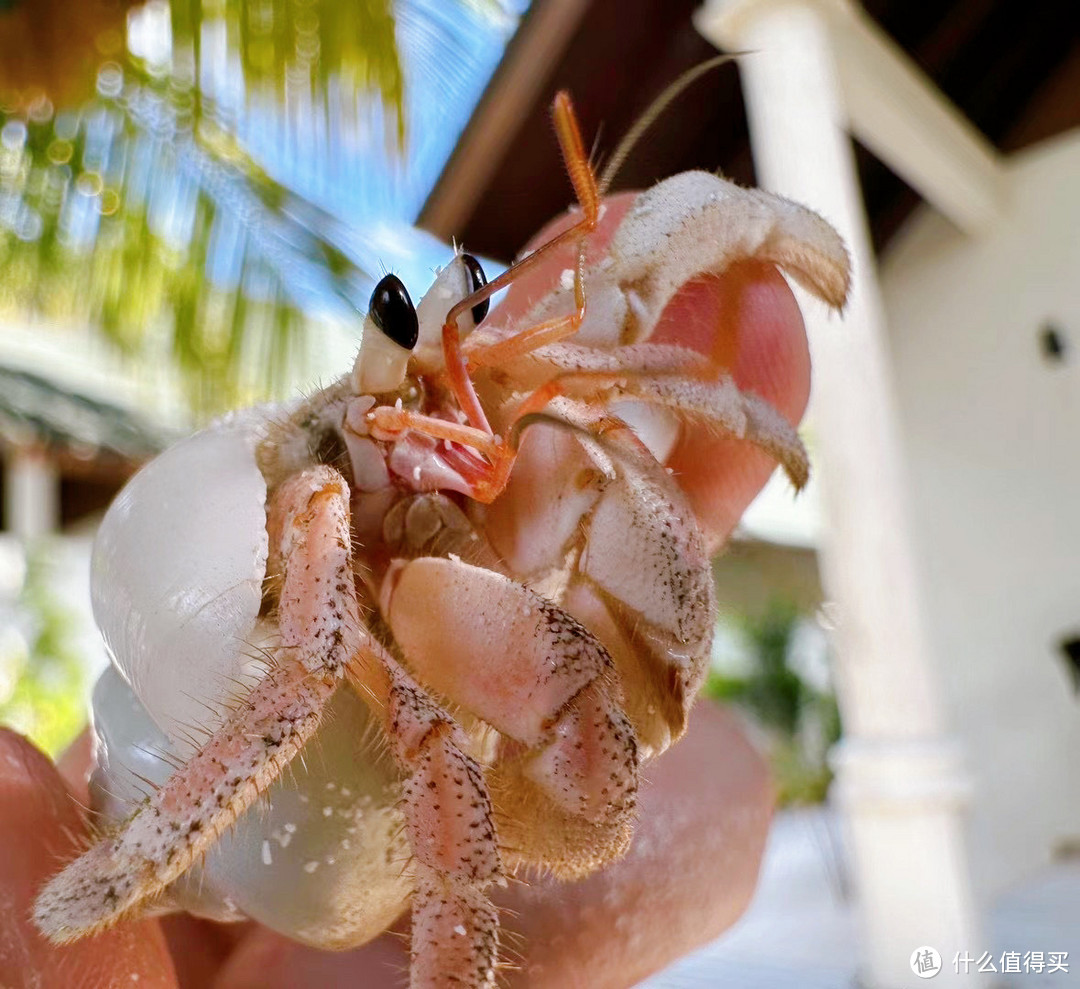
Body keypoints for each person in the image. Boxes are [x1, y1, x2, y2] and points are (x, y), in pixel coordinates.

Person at [0, 191, 812, 988]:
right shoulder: (312, 493)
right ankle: (139, 857)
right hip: (282, 673)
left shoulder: (463, 441)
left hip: (391, 645)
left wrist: (719, 407)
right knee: (426, 744)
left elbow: (589, 782)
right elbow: (309, 663)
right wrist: (132, 870)